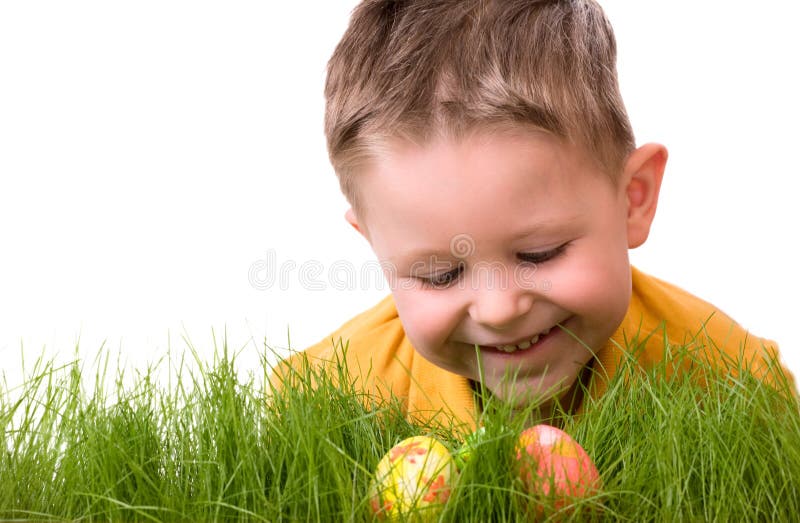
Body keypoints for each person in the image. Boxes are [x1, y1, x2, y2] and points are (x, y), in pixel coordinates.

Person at [275, 0, 793, 430]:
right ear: (375, 247)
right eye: (440, 274)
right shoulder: (327, 403)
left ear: (633, 198)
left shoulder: (734, 380)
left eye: (539, 253)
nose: (499, 310)